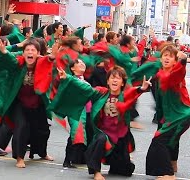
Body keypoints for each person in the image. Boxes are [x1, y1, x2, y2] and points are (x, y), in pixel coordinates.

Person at [50, 66, 151, 180]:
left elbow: (134, 92)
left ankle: (117, 163)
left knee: (126, 171)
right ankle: (96, 171)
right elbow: (85, 87)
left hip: (120, 136)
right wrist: (68, 77)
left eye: (118, 78)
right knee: (101, 139)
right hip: (103, 133)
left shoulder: (124, 95)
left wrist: (142, 88)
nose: (114, 80)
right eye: (112, 78)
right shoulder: (101, 93)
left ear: (122, 83)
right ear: (107, 81)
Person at [0, 39, 57, 168]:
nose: (30, 53)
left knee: (43, 131)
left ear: (38, 53)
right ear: (23, 53)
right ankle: (19, 157)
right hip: (20, 103)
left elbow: (51, 62)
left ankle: (42, 152)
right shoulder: (18, 64)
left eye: (33, 50)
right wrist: (4, 51)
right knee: (21, 128)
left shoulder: (42, 63)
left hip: (37, 103)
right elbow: (10, 60)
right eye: (27, 50)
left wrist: (53, 56)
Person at [134, 45, 190, 179]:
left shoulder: (174, 74)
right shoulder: (159, 74)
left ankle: (168, 174)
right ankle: (173, 165)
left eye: (170, 56)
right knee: (171, 139)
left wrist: (183, 60)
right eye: (165, 55)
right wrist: (143, 88)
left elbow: (180, 71)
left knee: (159, 141)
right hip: (171, 115)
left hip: (181, 115)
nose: (167, 58)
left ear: (174, 61)